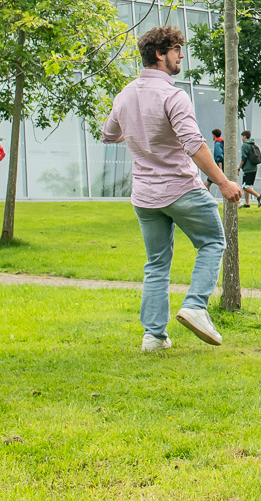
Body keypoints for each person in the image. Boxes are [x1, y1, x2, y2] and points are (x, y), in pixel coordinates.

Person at [100, 25, 242, 352]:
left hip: (145, 197)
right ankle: (195, 306)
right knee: (212, 241)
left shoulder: (125, 94)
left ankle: (153, 337)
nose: (181, 55)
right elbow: (194, 143)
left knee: (156, 264)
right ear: (160, 55)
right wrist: (223, 182)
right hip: (180, 189)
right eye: (177, 49)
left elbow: (109, 135)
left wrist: (138, 132)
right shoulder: (173, 95)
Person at [239, 130, 261, 207]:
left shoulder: (245, 145)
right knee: (248, 186)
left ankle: (258, 196)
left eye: (242, 136)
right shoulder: (252, 144)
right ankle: (247, 203)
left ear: (244, 136)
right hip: (253, 168)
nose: (241, 138)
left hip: (248, 169)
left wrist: (239, 166)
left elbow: (244, 157)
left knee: (245, 187)